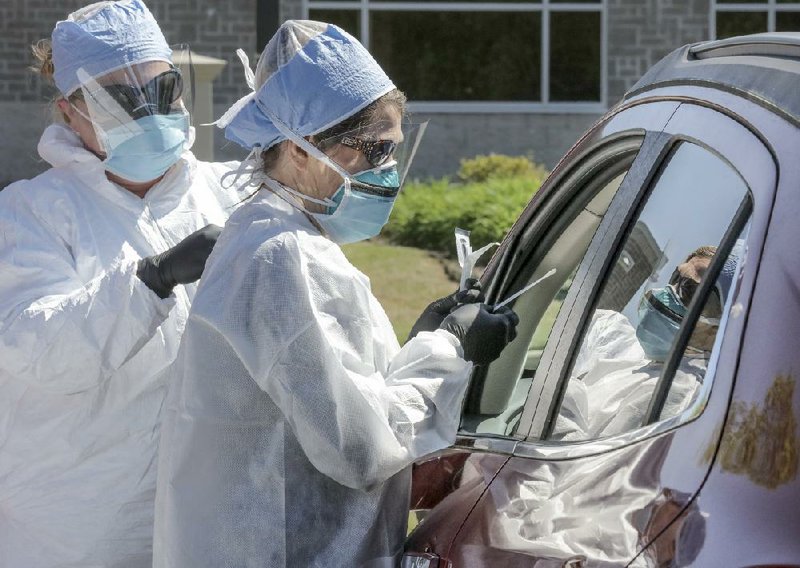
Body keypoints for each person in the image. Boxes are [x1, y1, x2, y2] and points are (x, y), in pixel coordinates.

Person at [153, 20, 519, 567]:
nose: (388, 172)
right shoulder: (280, 257)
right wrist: (449, 349)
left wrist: (416, 343)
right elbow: (358, 446)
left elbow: (329, 391)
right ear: (300, 150)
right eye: (375, 151)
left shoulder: (278, 236)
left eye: (394, 151)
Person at [0, 1, 241, 566]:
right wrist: (153, 280)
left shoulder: (229, 192)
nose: (150, 112)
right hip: (79, 523)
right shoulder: (28, 214)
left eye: (163, 90)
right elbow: (40, 352)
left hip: (211, 507)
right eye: (120, 98)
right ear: (69, 110)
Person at [553, 246, 733, 441]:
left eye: (692, 292)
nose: (667, 293)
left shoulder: (675, 394)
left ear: (725, 327)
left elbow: (590, 467)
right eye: (675, 278)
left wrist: (557, 389)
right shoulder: (655, 365)